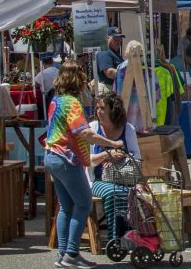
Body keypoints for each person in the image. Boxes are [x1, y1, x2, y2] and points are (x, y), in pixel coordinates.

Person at [45, 59, 123, 267]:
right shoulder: (71, 102)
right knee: (84, 204)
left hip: (52, 155)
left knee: (66, 206)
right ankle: (71, 252)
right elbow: (86, 132)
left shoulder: (56, 100)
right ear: (77, 79)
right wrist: (111, 143)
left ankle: (63, 255)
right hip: (66, 158)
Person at [88, 93, 140, 246]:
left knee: (132, 192)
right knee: (114, 193)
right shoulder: (92, 128)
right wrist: (106, 155)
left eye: (103, 108)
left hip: (124, 178)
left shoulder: (128, 129)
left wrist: (121, 156)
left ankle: (127, 235)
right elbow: (85, 160)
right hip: (96, 180)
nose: (98, 111)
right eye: (97, 108)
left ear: (114, 109)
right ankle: (115, 238)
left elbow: (137, 156)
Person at [113, 39, 161, 130]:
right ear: (142, 54)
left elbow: (116, 93)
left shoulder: (120, 70)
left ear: (126, 53)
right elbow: (156, 97)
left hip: (125, 118)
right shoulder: (149, 72)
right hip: (144, 119)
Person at [95, 27, 125, 91]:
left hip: (114, 89)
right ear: (108, 38)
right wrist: (127, 73)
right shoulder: (104, 52)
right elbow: (109, 72)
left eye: (120, 39)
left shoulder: (114, 52)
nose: (118, 41)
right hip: (107, 89)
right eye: (115, 39)